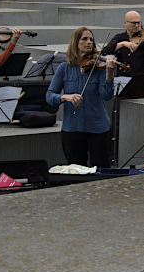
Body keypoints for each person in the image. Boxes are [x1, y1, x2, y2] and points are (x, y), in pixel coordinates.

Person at [47, 27, 117, 167]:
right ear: (75, 42)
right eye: (84, 39)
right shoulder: (64, 68)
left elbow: (107, 96)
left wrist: (109, 74)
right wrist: (65, 97)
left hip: (98, 127)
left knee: (101, 168)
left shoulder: (99, 68)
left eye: (91, 39)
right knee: (75, 168)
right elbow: (49, 96)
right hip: (72, 128)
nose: (89, 42)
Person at [102, 11, 144, 77]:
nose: (137, 26)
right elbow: (105, 52)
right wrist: (122, 44)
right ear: (125, 23)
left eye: (138, 23)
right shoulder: (119, 38)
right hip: (123, 78)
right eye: (133, 23)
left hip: (141, 79)